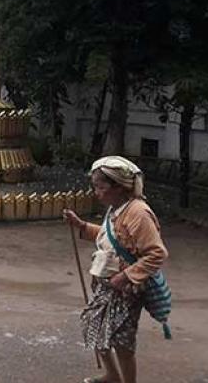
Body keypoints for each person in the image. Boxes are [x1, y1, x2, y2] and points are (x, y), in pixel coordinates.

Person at [63, 156, 169, 383]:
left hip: (126, 289)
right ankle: (112, 375)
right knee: (95, 326)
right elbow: (110, 238)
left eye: (100, 187)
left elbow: (156, 253)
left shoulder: (138, 213)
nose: (97, 193)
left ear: (118, 187)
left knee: (122, 341)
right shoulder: (117, 209)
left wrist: (125, 276)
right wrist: (81, 226)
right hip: (107, 285)